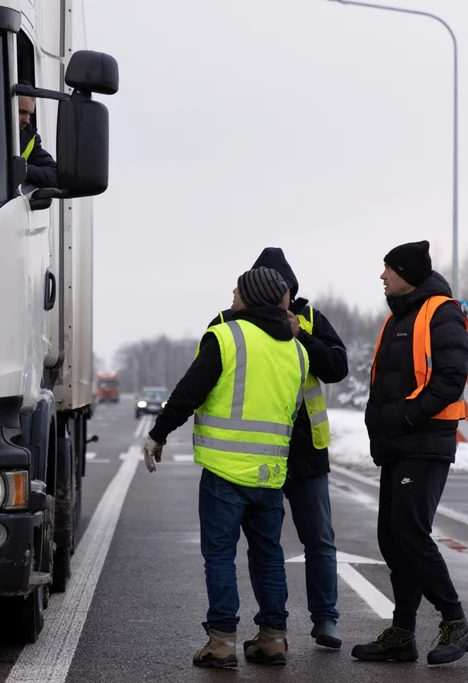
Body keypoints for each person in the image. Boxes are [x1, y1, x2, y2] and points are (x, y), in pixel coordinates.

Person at [144, 266, 309, 669]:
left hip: (224, 471)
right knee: (269, 556)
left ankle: (221, 644)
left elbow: (189, 392)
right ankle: (273, 639)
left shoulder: (227, 337)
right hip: (270, 475)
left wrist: (159, 433)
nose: (232, 295)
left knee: (220, 556)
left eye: (238, 290)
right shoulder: (298, 351)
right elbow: (293, 411)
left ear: (251, 297)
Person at [206, 248, 348, 649]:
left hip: (303, 451)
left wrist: (301, 334)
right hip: (252, 454)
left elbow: (337, 367)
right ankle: (269, 630)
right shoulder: (228, 322)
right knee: (262, 547)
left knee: (318, 538)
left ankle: (325, 619)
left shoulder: (311, 318)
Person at [353, 240, 468, 666]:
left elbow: (449, 380)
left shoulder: (441, 311)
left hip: (424, 443)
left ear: (408, 272)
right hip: (398, 445)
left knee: (409, 532)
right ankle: (402, 634)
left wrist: (406, 418)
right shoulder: (397, 319)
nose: (383, 276)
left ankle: (455, 621)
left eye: (389, 269)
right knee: (393, 538)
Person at [15, 83, 58, 188]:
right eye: (22, 112)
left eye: (29, 114)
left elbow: (54, 174)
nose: (27, 120)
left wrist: (21, 169)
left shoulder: (30, 139)